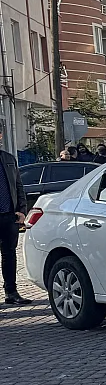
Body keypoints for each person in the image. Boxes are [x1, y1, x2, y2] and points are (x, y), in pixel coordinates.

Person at [0, 127, 30, 306]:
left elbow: (19, 186)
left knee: (9, 255)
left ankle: (11, 292)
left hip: (9, 216)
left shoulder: (9, 159)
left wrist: (22, 210)